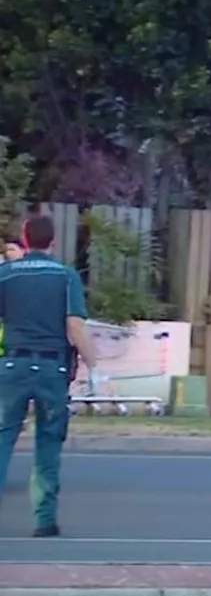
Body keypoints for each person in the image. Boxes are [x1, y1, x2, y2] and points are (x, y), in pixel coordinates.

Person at [0, 216, 99, 537]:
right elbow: (74, 326)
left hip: (12, 366)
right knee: (47, 442)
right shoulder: (65, 276)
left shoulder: (5, 275)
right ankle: (44, 520)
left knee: (3, 437)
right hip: (52, 369)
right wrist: (94, 365)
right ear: (53, 242)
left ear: (25, 240)